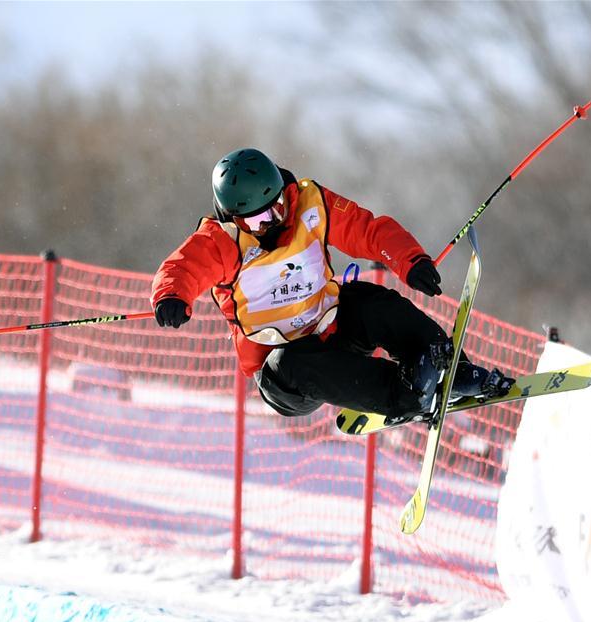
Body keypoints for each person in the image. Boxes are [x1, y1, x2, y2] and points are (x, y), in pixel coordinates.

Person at [151, 148, 511, 420]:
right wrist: (171, 296)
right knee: (287, 363)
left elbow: (367, 230)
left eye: (276, 208)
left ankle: (448, 365)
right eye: (258, 220)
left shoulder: (310, 203)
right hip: (286, 375)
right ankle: (407, 394)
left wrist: (410, 260)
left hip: (332, 326)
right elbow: (182, 268)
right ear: (233, 218)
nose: (273, 222)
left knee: (369, 299)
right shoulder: (222, 241)